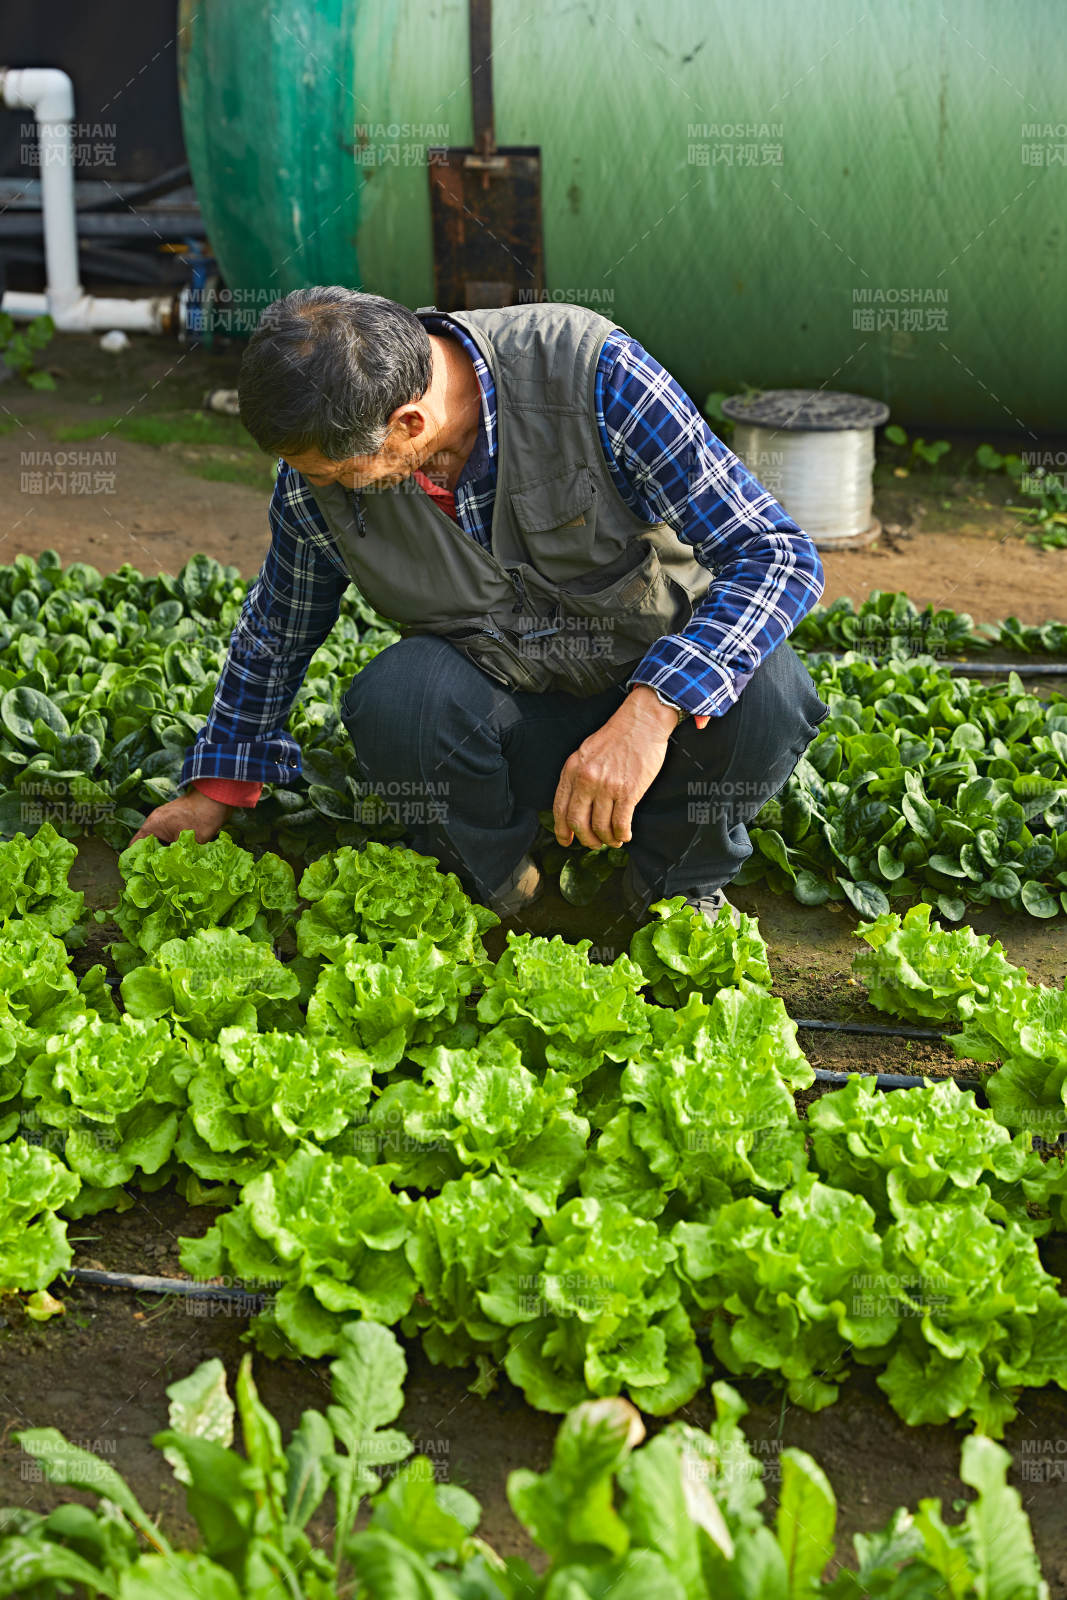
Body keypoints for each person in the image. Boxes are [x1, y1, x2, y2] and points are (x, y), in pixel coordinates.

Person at [134, 288, 828, 925]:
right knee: (399, 699)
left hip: (665, 720)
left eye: (338, 473)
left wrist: (651, 711)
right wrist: (217, 787)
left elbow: (776, 554)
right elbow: (277, 630)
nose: (317, 484)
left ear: (409, 422)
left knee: (769, 690)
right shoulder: (314, 476)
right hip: (511, 720)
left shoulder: (595, 375)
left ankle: (675, 889)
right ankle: (503, 889)